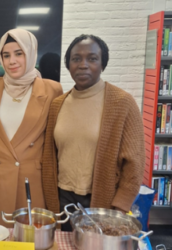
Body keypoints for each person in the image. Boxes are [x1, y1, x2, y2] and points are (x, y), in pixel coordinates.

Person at [42, 34, 145, 231]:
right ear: (68, 64)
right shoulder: (58, 104)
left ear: (103, 64)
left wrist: (120, 206)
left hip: (103, 201)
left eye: (92, 58)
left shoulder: (122, 102)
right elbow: (49, 155)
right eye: (76, 58)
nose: (83, 65)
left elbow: (135, 161)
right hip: (62, 198)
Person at [0, 29, 63, 226]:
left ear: (31, 53)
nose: (11, 61)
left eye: (19, 53)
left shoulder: (52, 90)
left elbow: (56, 139)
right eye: (6, 55)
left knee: (31, 237)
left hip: (33, 179)